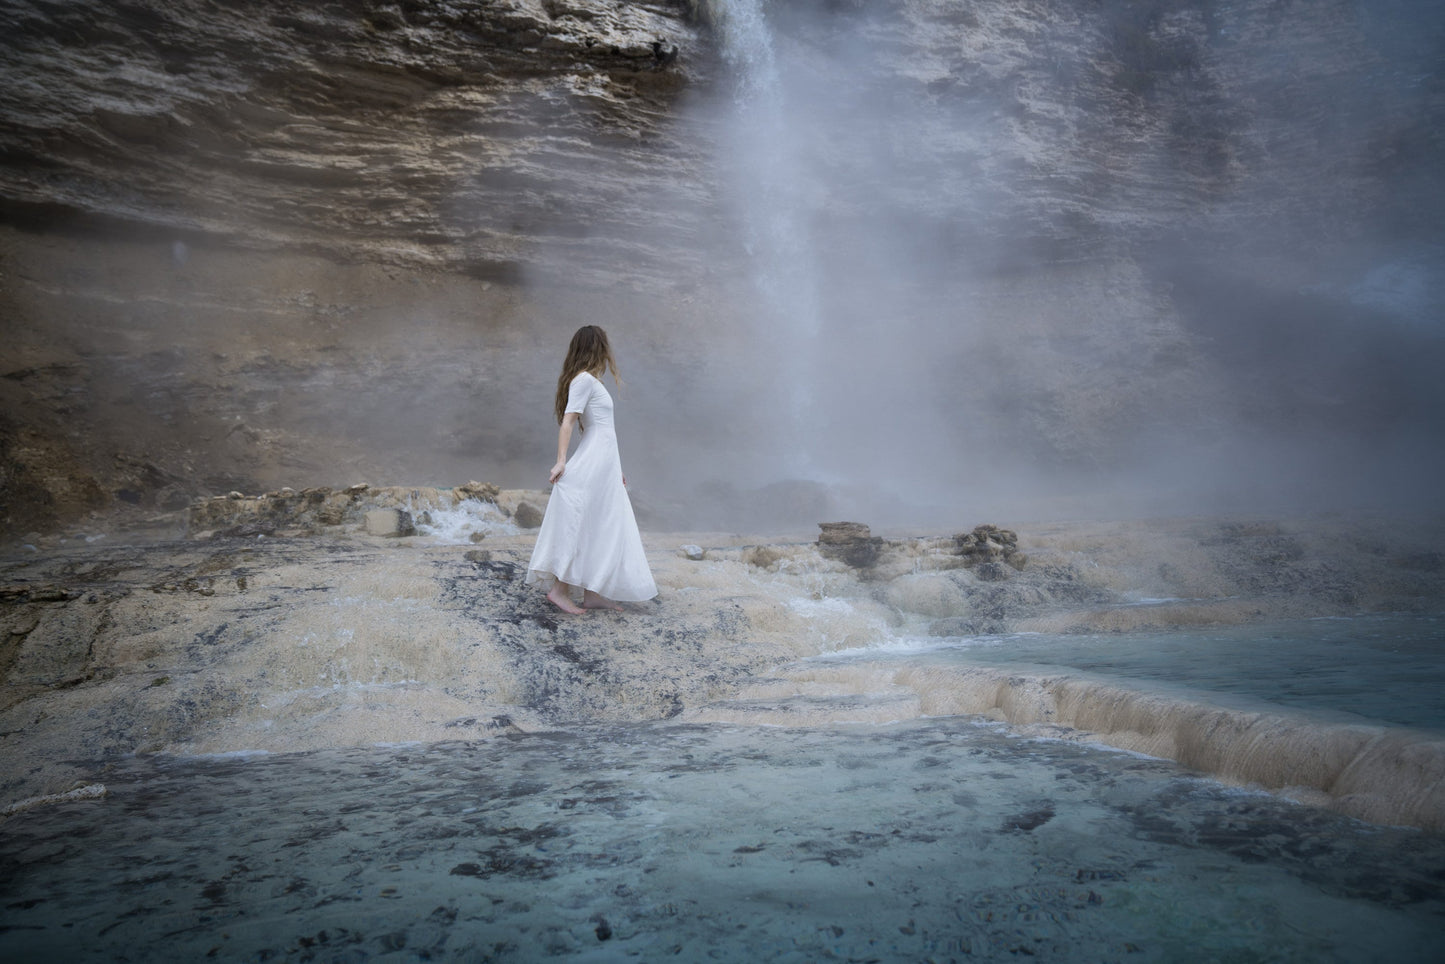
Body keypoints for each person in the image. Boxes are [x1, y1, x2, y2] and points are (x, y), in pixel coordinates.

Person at [525, 325, 658, 614]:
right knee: (584, 519)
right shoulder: (583, 380)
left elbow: (604, 432)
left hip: (604, 463)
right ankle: (559, 591)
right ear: (597, 348)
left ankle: (593, 593)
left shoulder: (592, 382)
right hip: (594, 462)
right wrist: (561, 461)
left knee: (602, 523)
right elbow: (568, 422)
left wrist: (615, 469)